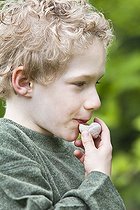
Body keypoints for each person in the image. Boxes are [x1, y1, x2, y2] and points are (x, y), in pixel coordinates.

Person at [0, 0, 126, 209]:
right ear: (24, 82)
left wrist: (92, 176)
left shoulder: (73, 154)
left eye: (96, 83)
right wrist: (97, 180)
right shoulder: (5, 147)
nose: (95, 101)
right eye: (79, 84)